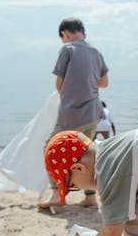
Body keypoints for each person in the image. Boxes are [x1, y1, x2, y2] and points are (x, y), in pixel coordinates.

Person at [39, 17, 109, 209]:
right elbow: (104, 82)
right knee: (87, 153)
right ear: (82, 32)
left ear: (65, 34)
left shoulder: (67, 49)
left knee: (50, 149)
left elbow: (59, 84)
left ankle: (56, 193)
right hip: (93, 113)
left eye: (63, 38)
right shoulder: (95, 52)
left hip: (72, 113)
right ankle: (90, 197)